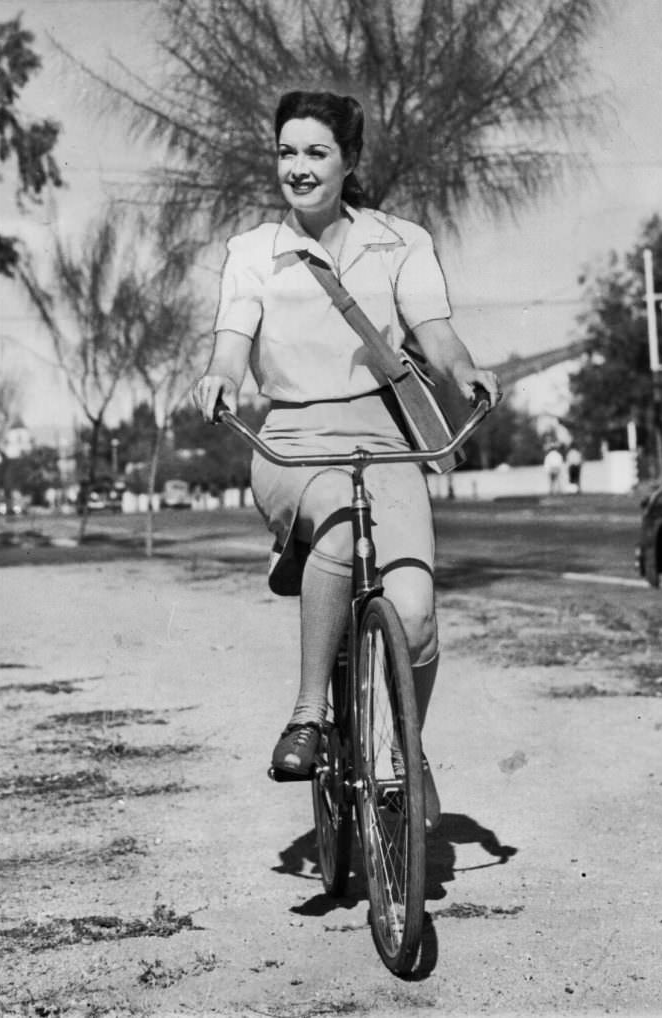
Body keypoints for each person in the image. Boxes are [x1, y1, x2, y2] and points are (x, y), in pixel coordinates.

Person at [192, 90, 502, 831]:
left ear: (350, 160)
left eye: (316, 152)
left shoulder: (400, 241)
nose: (297, 168)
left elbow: (436, 333)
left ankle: (406, 746)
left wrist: (466, 374)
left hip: (387, 438)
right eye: (285, 152)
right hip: (294, 441)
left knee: (418, 619)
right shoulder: (252, 253)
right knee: (335, 523)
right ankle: (308, 716)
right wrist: (220, 378)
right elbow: (232, 344)